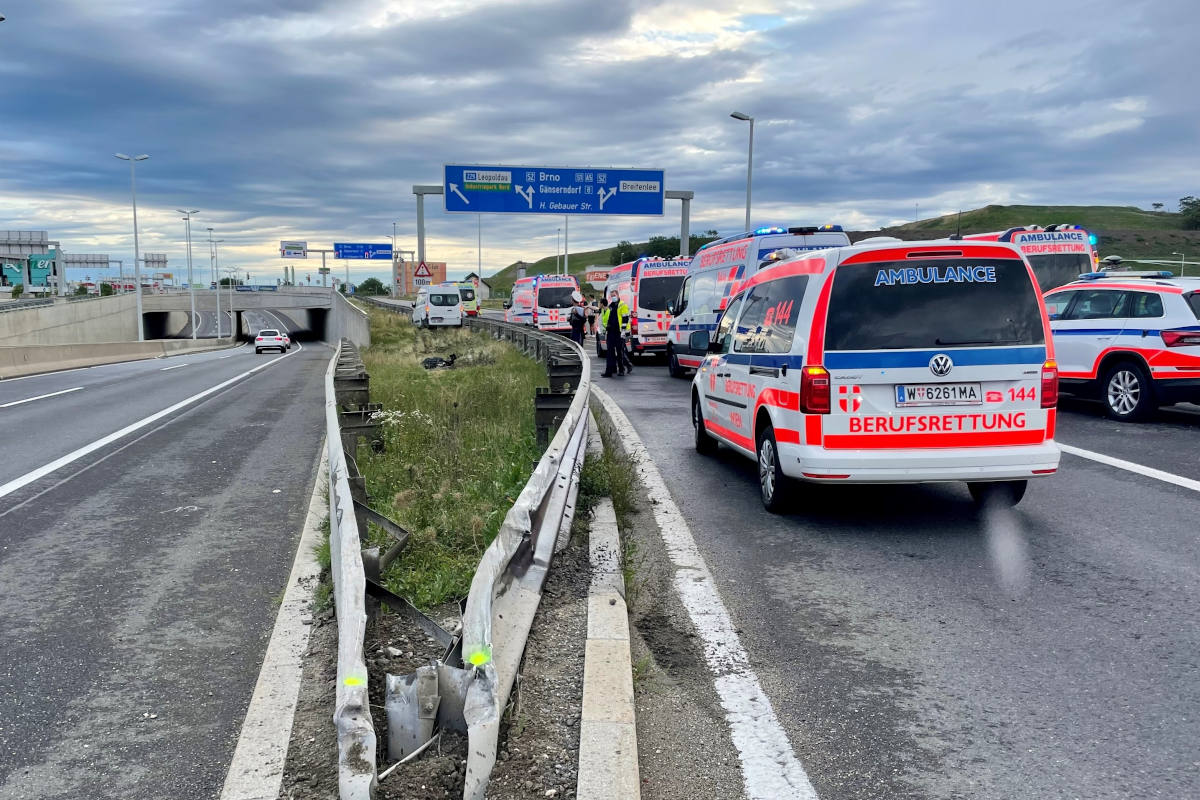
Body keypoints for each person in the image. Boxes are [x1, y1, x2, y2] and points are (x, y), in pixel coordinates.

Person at [600, 290, 632, 377]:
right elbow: (610, 317)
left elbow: (625, 318)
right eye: (611, 296)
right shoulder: (611, 305)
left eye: (614, 295)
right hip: (611, 331)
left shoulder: (622, 305)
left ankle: (621, 369)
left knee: (619, 352)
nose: (613, 297)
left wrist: (623, 331)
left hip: (619, 332)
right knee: (610, 352)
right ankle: (609, 371)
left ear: (617, 295)